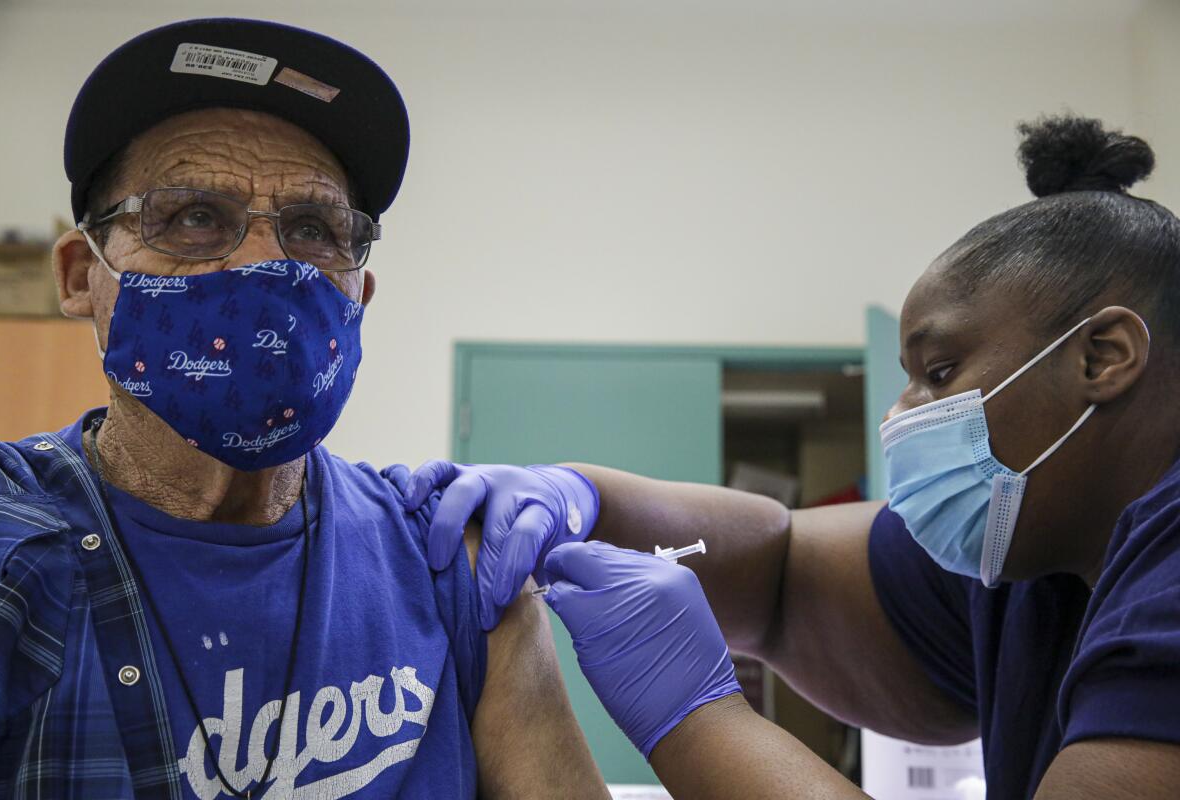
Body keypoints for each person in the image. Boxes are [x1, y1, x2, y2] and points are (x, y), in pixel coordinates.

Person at [407, 115, 1180, 798]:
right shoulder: (1038, 553)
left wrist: (697, 713)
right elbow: (780, 573)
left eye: (939, 373)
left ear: (1103, 357)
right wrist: (581, 499)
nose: (902, 414)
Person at [0, 18, 606, 799]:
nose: (267, 266)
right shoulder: (1, 542)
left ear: (358, 298)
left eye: (314, 231)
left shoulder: (456, 570)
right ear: (81, 275)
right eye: (194, 217)